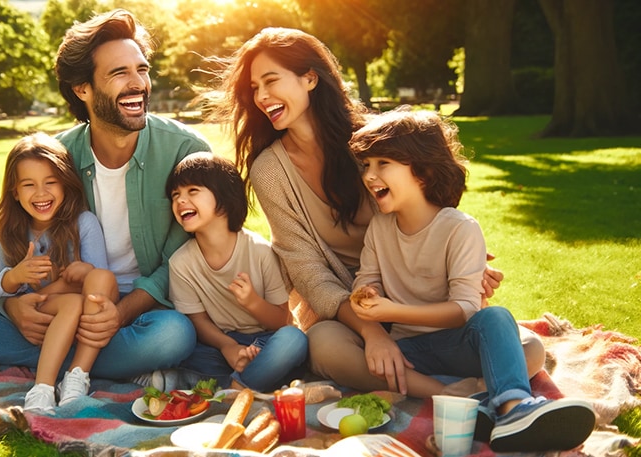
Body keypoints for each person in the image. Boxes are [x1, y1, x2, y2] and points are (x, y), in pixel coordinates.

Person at [205, 27, 545, 396]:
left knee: (530, 351)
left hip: (417, 299)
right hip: (342, 310)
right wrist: (371, 331)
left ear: (310, 78)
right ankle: (447, 393)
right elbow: (307, 271)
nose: (261, 96)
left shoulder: (374, 142)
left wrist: (466, 265)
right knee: (323, 346)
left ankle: (424, 378)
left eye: (270, 81)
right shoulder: (269, 170)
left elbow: (429, 209)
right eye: (254, 88)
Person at [0, 9, 211, 387]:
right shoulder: (54, 157)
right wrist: (13, 307)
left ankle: (28, 366)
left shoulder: (187, 151)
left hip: (142, 310)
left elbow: (183, 260)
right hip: (58, 303)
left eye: (142, 69)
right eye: (119, 73)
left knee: (173, 335)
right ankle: (105, 367)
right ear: (82, 89)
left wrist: (116, 314)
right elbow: (14, 238)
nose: (138, 83)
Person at [346, 108, 594, 452]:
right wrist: (366, 294)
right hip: (410, 352)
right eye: (366, 165)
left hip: (459, 343)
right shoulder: (379, 228)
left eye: (383, 162)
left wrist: (393, 309)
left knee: (512, 333)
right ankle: (476, 396)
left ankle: (512, 409)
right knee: (355, 358)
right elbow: (367, 278)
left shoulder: (460, 228)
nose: (370, 175)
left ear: (424, 171)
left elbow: (463, 311)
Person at [0, 133, 119, 412]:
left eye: (50, 183)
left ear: (66, 185)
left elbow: (98, 286)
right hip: (34, 316)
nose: (41, 194)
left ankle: (75, 376)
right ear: (15, 192)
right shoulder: (9, 231)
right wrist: (15, 277)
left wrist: (84, 270)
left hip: (82, 321)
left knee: (97, 282)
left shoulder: (84, 223)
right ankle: (42, 389)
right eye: (29, 185)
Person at [165, 152, 307, 393]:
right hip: (218, 344)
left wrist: (252, 303)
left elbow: (282, 320)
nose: (180, 201)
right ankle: (252, 379)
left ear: (223, 196)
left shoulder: (260, 251)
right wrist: (228, 346)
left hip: (265, 341)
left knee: (294, 341)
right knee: (184, 348)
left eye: (192, 191)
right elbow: (197, 320)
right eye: (175, 195)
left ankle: (234, 388)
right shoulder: (181, 263)